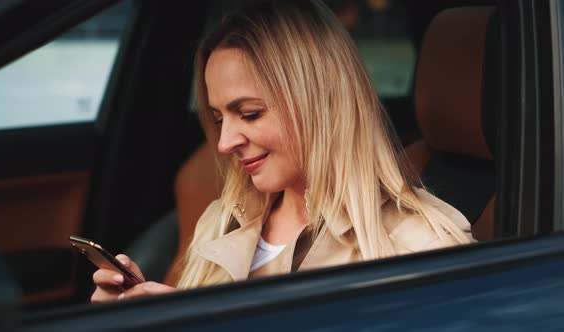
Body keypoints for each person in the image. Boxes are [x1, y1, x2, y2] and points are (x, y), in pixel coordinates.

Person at [91, 0, 474, 303]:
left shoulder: (421, 245)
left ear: (320, 103)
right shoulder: (222, 219)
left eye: (250, 114)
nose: (225, 144)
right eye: (219, 118)